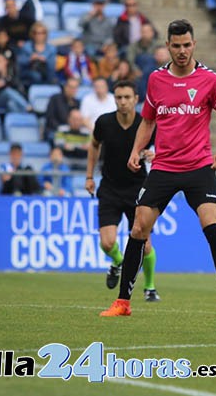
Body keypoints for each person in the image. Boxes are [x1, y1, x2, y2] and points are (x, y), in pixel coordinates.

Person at [100, 19, 216, 318]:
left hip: (199, 167)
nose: (181, 51)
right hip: (164, 166)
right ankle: (122, 302)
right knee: (139, 228)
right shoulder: (156, 80)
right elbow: (149, 121)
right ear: (167, 46)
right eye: (176, 45)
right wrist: (136, 150)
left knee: (212, 226)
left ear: (194, 45)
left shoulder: (209, 80)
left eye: (186, 45)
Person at [86, 80, 160, 300]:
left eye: (127, 97)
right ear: (114, 98)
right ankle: (118, 261)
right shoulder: (104, 122)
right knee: (107, 242)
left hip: (138, 188)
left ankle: (150, 288)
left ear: (136, 99)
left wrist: (154, 155)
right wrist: (89, 177)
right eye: (118, 97)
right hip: (109, 188)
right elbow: (94, 145)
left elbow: (162, 149)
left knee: (145, 244)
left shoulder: (146, 124)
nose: (123, 102)